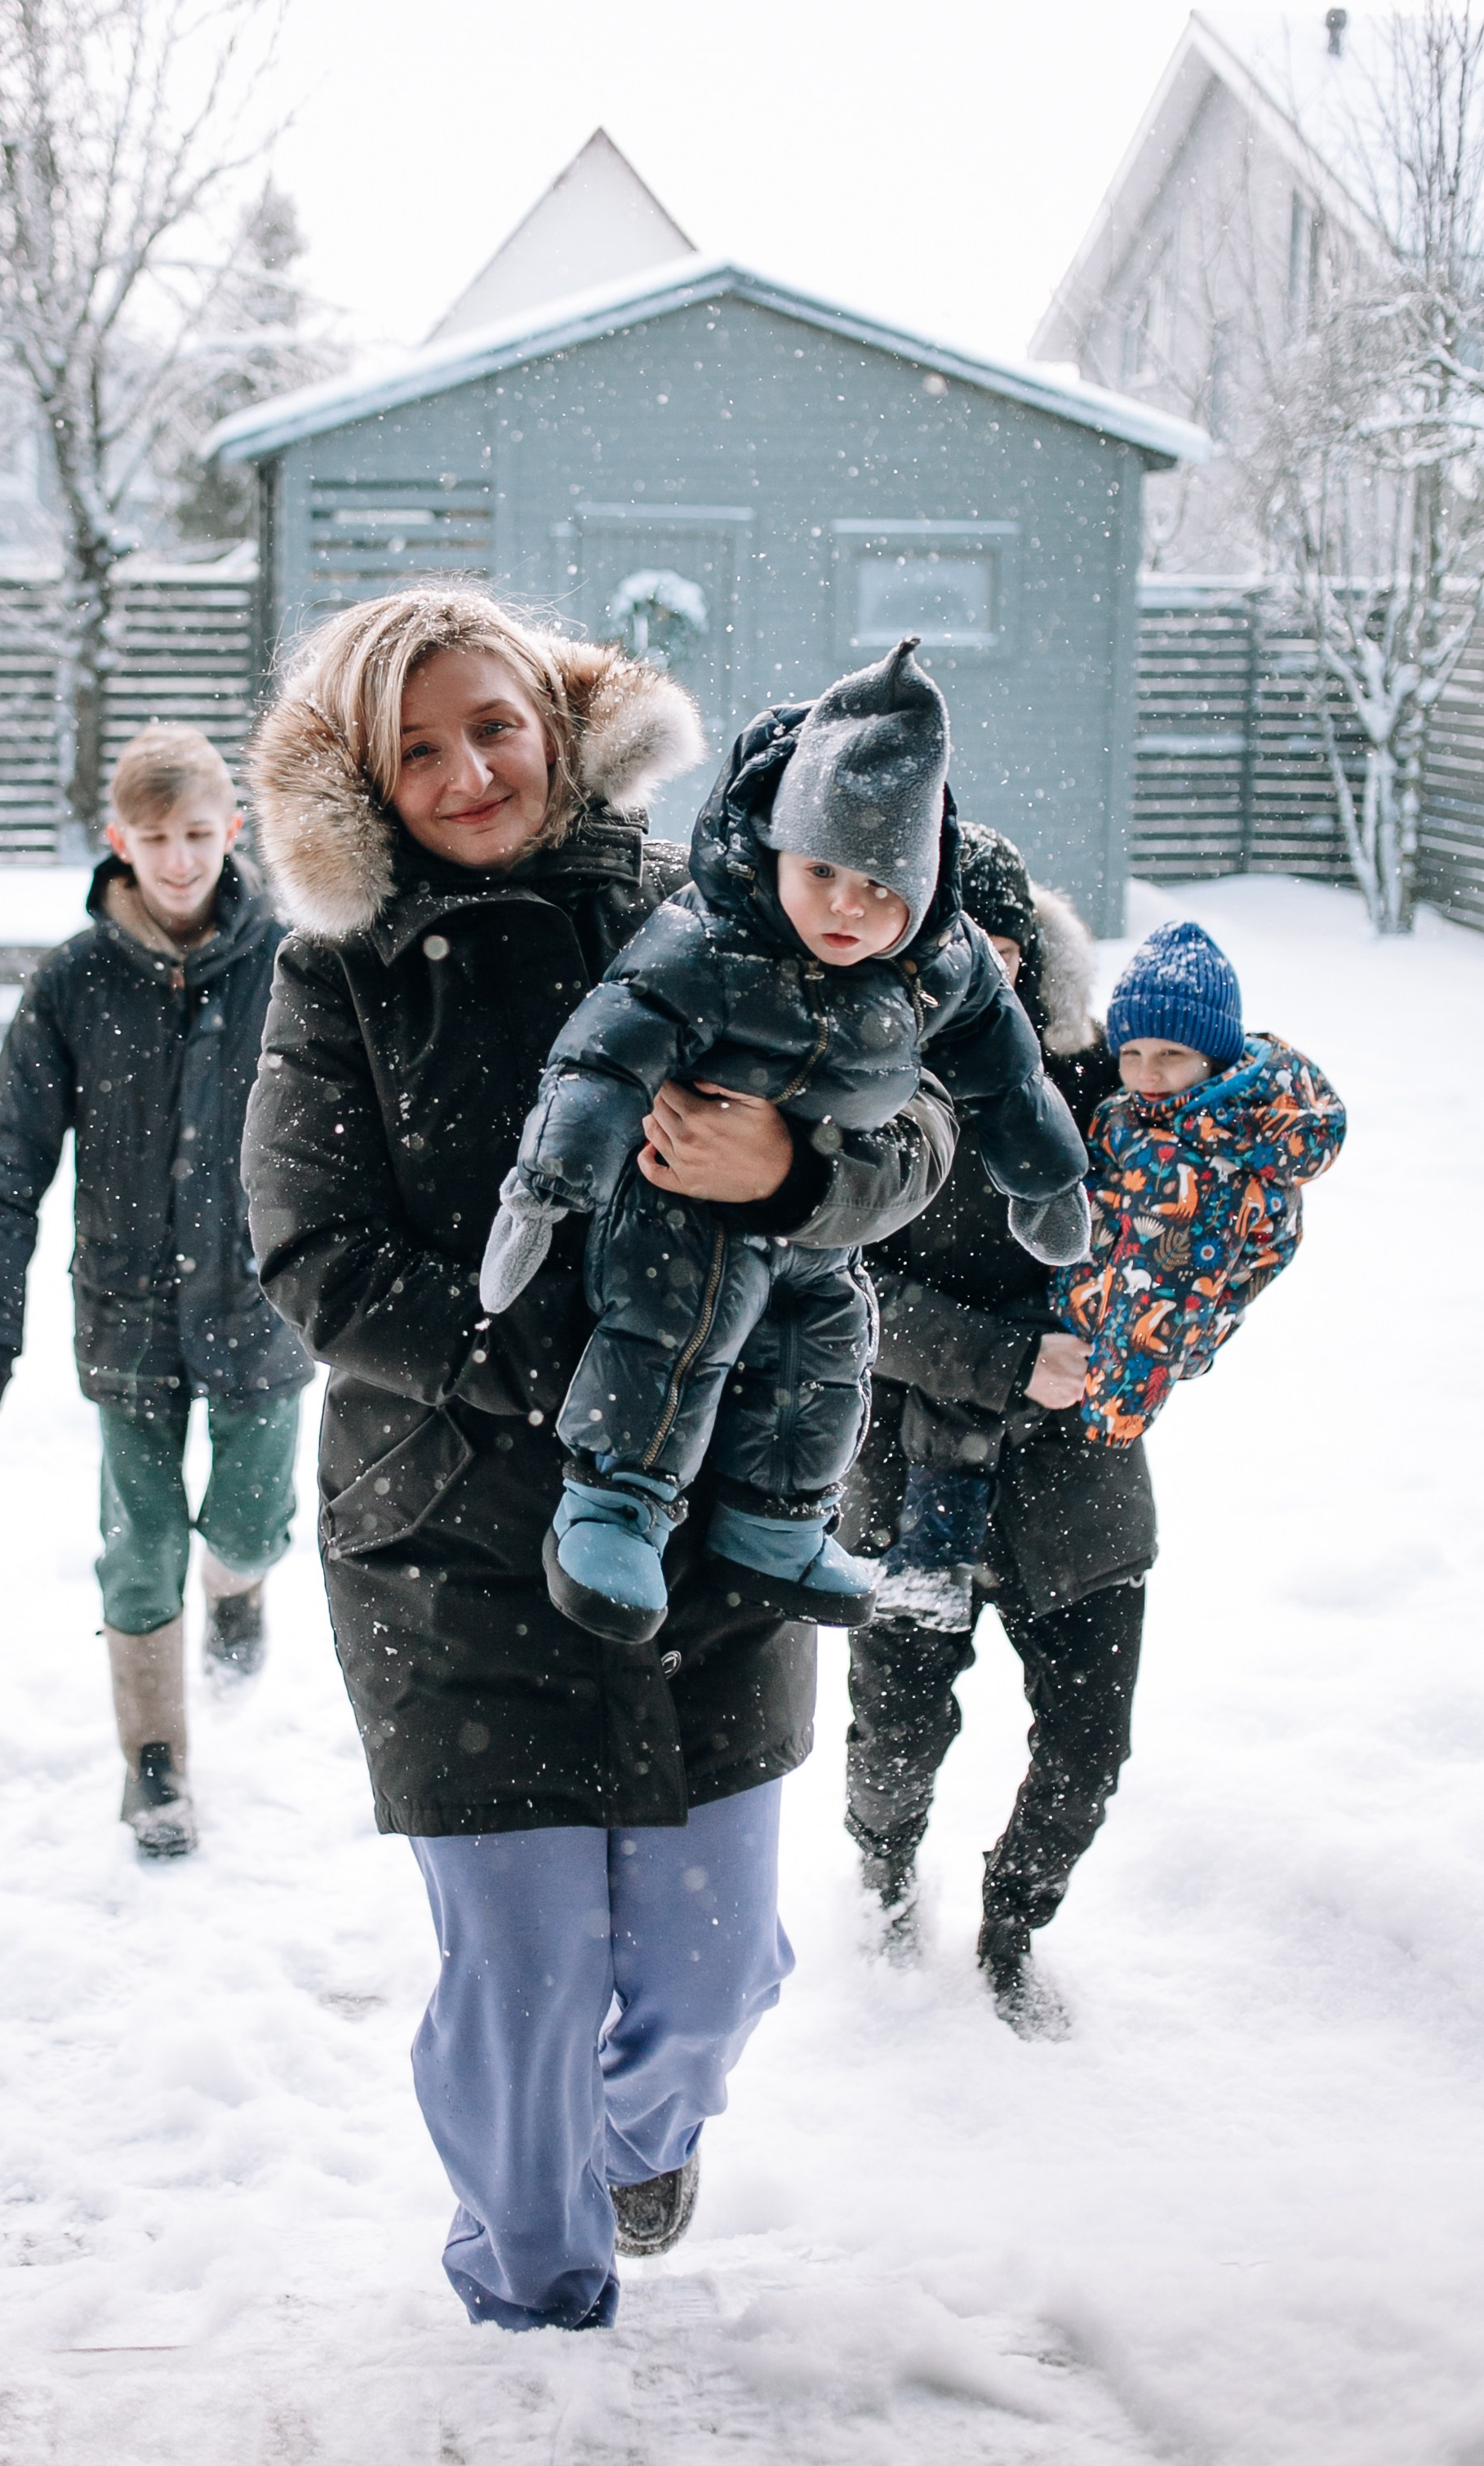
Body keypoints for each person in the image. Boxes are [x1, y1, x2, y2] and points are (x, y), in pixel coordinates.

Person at [239, 587, 957, 2331]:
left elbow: (920, 1130)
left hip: (710, 1529)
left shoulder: (717, 910)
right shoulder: (337, 974)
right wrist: (571, 1371)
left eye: (488, 721)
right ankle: (529, 2292)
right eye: (414, 749)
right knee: (524, 1977)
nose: (466, 769)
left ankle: (637, 2144)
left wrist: (792, 1168)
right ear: (363, 784)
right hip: (447, 1543)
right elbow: (312, 1256)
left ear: (555, 719)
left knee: (718, 1968)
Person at [479, 639, 1091, 1646]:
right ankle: (614, 1503)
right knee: (671, 1340)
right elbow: (602, 1053)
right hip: (677, 1204)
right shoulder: (703, 940)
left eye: (883, 885)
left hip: (819, 1220)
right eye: (822, 872)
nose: (849, 908)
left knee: (829, 1351)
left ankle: (778, 1521)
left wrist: (1043, 1175)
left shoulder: (940, 960)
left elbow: (1003, 1068)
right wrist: (547, 1186)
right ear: (775, 850)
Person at [0, 722, 312, 1859]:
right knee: (139, 1539)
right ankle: (154, 1762)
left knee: (250, 1521)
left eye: (198, 835)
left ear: (233, 833)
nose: (177, 860)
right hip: (127, 1314)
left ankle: (240, 1587)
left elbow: (353, 1130)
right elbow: (7, 1156)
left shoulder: (290, 961)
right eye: (153, 839)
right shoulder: (75, 982)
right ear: (117, 841)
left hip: (262, 1308)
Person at [838, 823, 1149, 2035]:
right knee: (898, 1732)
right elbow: (839, 1285)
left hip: (1082, 1471)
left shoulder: (1103, 1073)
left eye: (1002, 940)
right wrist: (1009, 1357)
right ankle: (879, 1891)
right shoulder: (862, 1091)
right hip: (911, 1465)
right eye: (953, 941)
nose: (984, 966)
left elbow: (1208, 1169)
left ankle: (1015, 1924)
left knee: (1086, 1742)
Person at [1054, 918, 1345, 1447]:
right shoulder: (1151, 1113)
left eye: (1170, 1054)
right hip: (1088, 1330)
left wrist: (1111, 1415)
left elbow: (1161, 1288)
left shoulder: (1191, 1159)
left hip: (1103, 1376)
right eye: (1131, 1054)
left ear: (1212, 1057)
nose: (1147, 1074)